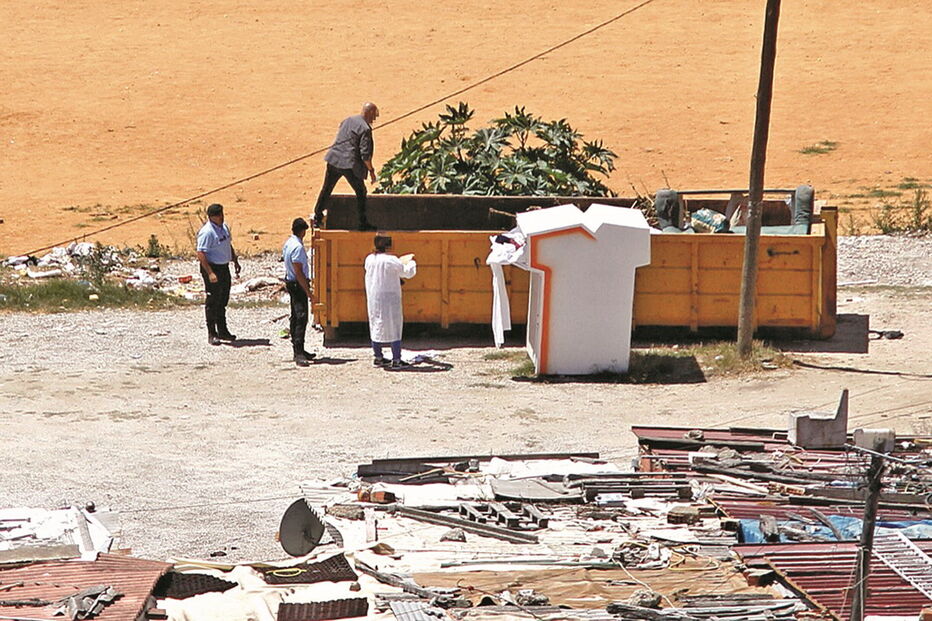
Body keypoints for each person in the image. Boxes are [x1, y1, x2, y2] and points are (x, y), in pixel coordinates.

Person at [313, 102, 380, 230]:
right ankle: (363, 223)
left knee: (327, 188)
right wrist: (371, 170)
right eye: (374, 116)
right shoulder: (365, 129)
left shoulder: (348, 120)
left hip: (333, 160)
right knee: (361, 191)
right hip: (349, 164)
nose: (374, 119)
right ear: (369, 113)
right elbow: (365, 155)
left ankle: (317, 217)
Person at [364, 235, 416, 369]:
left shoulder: (369, 259)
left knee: (375, 324)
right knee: (394, 326)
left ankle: (378, 357)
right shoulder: (391, 260)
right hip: (390, 298)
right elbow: (407, 273)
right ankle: (396, 359)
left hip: (374, 297)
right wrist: (411, 262)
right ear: (389, 246)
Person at [196, 203, 241, 345]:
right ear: (211, 217)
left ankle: (223, 330)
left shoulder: (224, 228)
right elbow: (201, 253)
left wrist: (234, 260)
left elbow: (228, 244)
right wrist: (210, 273)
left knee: (223, 299)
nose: (221, 217)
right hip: (212, 268)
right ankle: (212, 333)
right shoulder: (207, 232)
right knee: (212, 301)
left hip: (224, 267)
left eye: (222, 214)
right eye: (218, 215)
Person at [282, 218, 317, 367]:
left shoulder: (289, 243)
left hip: (292, 282)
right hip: (297, 284)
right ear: (302, 231)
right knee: (301, 317)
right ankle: (298, 352)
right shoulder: (297, 247)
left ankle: (300, 348)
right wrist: (309, 293)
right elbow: (299, 271)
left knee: (296, 315)